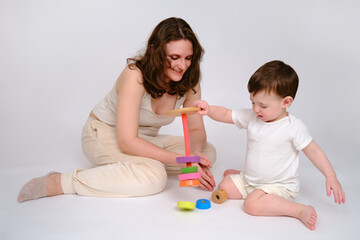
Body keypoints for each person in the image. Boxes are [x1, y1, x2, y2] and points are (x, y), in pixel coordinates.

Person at [17, 17, 216, 203]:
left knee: (208, 152)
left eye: (188, 58)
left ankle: (138, 166)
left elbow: (195, 130)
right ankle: (62, 182)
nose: (182, 65)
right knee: (155, 176)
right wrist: (181, 160)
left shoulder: (190, 80)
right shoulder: (135, 75)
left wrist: (194, 158)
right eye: (174, 57)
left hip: (144, 138)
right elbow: (127, 142)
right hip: (104, 134)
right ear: (155, 51)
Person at [194, 60, 345, 230]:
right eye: (253, 102)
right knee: (225, 186)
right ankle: (247, 176)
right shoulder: (253, 117)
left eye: (263, 105)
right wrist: (209, 110)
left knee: (251, 206)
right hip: (252, 181)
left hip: (278, 185)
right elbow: (227, 114)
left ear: (286, 102)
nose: (256, 109)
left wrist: (330, 176)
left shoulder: (292, 127)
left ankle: (298, 210)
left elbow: (314, 151)